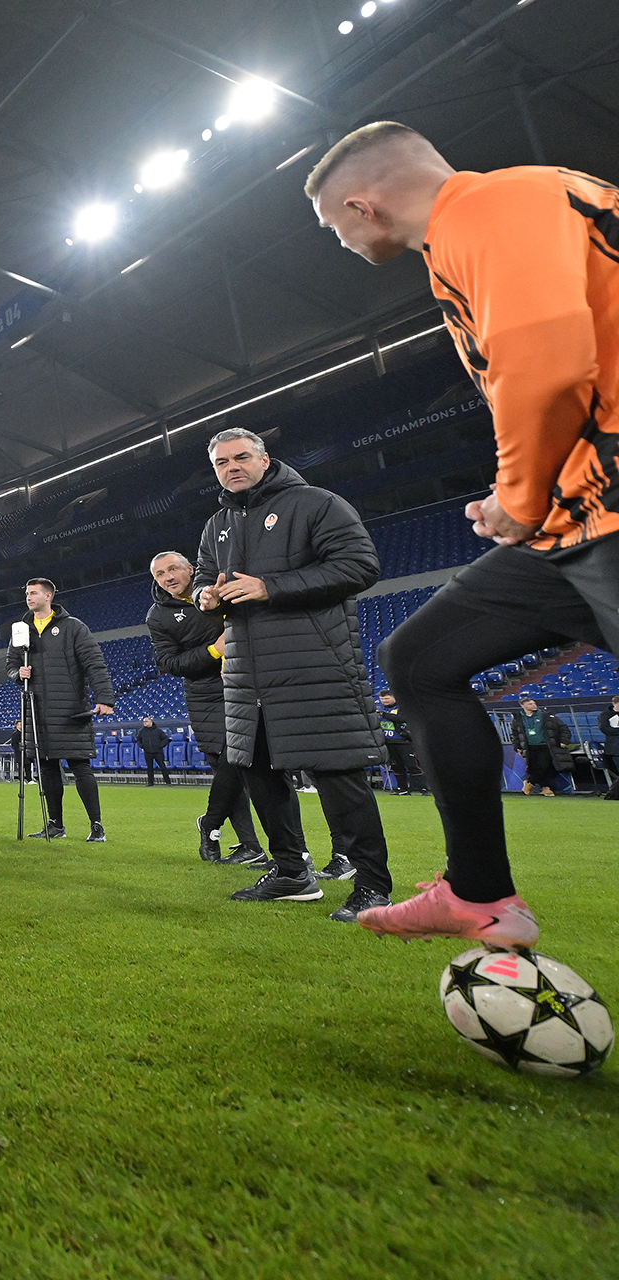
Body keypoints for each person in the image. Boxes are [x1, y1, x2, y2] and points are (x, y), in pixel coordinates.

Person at [302, 124, 618, 945]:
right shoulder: (467, 237)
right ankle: (479, 894)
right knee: (419, 660)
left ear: (362, 207)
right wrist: (522, 493)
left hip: (607, 506)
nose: (341, 243)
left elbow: (548, 362)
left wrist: (518, 493)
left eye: (333, 228)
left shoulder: (493, 204)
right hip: (579, 513)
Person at [192, 427, 387, 921]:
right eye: (221, 463)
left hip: (312, 663)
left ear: (264, 459)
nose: (232, 468)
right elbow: (203, 576)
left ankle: (372, 885)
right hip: (246, 673)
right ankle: (292, 873)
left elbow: (360, 566)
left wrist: (270, 587)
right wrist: (203, 596)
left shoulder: (317, 503)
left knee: (337, 773)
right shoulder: (217, 524)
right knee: (258, 772)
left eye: (241, 457)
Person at [146, 551, 265, 864]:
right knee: (228, 765)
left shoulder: (219, 588)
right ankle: (250, 847)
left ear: (190, 568)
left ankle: (210, 823)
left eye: (173, 569)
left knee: (244, 761)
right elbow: (170, 663)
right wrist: (215, 650)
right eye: (160, 574)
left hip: (247, 683)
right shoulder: (157, 616)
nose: (168, 577)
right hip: (204, 695)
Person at [15, 580, 113, 842]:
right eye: (27, 593)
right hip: (37, 711)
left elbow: (94, 663)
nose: (28, 597)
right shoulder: (21, 630)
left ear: (48, 596)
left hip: (71, 709)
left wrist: (105, 698)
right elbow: (11, 665)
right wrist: (17, 673)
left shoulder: (73, 627)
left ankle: (96, 825)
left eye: (33, 592)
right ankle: (56, 825)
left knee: (80, 766)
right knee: (47, 769)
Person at [511, 696, 574, 797]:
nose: (534, 705)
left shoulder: (546, 715)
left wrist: (564, 741)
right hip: (529, 747)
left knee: (543, 766)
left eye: (534, 703)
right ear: (523, 706)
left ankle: (529, 783)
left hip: (545, 745)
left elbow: (563, 728)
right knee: (534, 768)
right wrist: (517, 747)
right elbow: (515, 734)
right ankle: (546, 788)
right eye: (530, 704)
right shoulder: (518, 718)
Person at [375, 692, 427, 795]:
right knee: (396, 766)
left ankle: (423, 789)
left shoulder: (402, 707)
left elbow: (402, 718)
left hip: (404, 742)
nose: (384, 701)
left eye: (387, 699)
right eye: (382, 699)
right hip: (388, 742)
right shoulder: (379, 709)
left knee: (412, 766)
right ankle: (402, 789)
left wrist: (384, 715)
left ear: (394, 698)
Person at [135, 719, 171, 786]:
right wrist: (142, 746)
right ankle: (150, 782)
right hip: (147, 752)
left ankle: (168, 782)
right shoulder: (141, 731)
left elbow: (165, 739)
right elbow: (138, 740)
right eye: (144, 722)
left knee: (162, 767)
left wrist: (160, 746)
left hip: (158, 752)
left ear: (151, 722)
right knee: (149, 768)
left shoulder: (158, 731)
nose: (145, 723)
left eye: (146, 721)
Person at [602, 695, 619, 801]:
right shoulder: (606, 715)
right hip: (615, 749)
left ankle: (612, 794)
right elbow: (605, 729)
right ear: (615, 704)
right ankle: (612, 794)